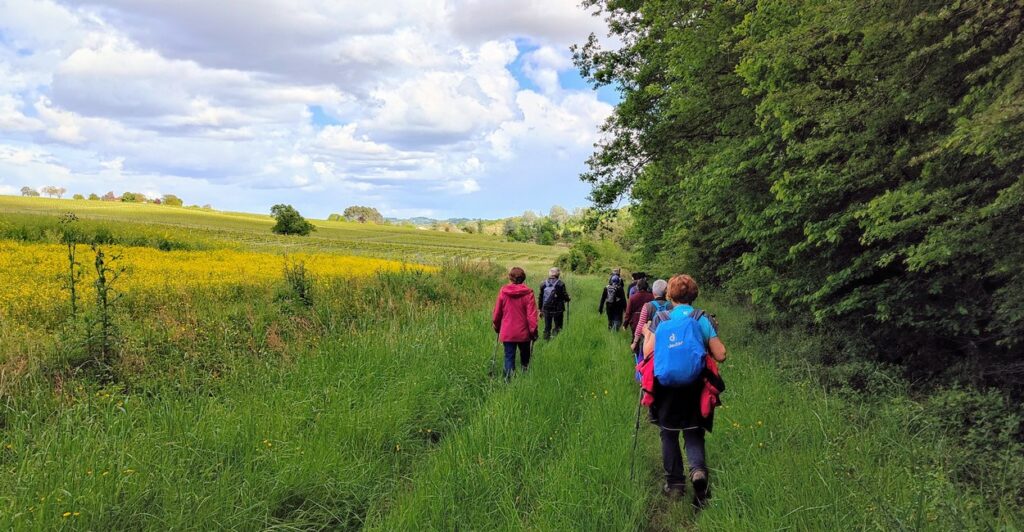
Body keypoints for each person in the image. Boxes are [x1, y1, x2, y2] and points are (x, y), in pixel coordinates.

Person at [641, 274, 727, 507]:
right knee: (693, 432)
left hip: (666, 387)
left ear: (669, 294)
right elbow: (721, 354)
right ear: (694, 294)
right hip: (695, 386)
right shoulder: (701, 318)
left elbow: (648, 354)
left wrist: (648, 334)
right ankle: (698, 472)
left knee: (668, 433)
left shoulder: (661, 317)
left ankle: (675, 485)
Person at [492, 266, 539, 380]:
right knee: (525, 357)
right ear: (523, 279)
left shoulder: (503, 291)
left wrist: (497, 326)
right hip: (524, 333)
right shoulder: (528, 293)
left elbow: (497, 312)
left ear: (510, 278)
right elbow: (532, 315)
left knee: (509, 357)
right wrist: (534, 331)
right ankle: (524, 378)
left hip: (508, 332)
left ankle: (508, 381)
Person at [631, 279, 670, 355]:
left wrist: (635, 342)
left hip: (649, 342)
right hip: (667, 341)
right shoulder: (671, 305)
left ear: (653, 292)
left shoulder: (647, 306)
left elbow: (640, 325)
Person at [538, 267, 571, 340]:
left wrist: (540, 310)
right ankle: (556, 340)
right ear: (558, 274)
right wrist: (568, 298)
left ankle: (546, 341)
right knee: (558, 326)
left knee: (547, 326)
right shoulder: (560, 284)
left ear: (549, 274)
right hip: (558, 309)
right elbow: (564, 296)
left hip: (546, 309)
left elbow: (540, 298)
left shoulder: (543, 284)